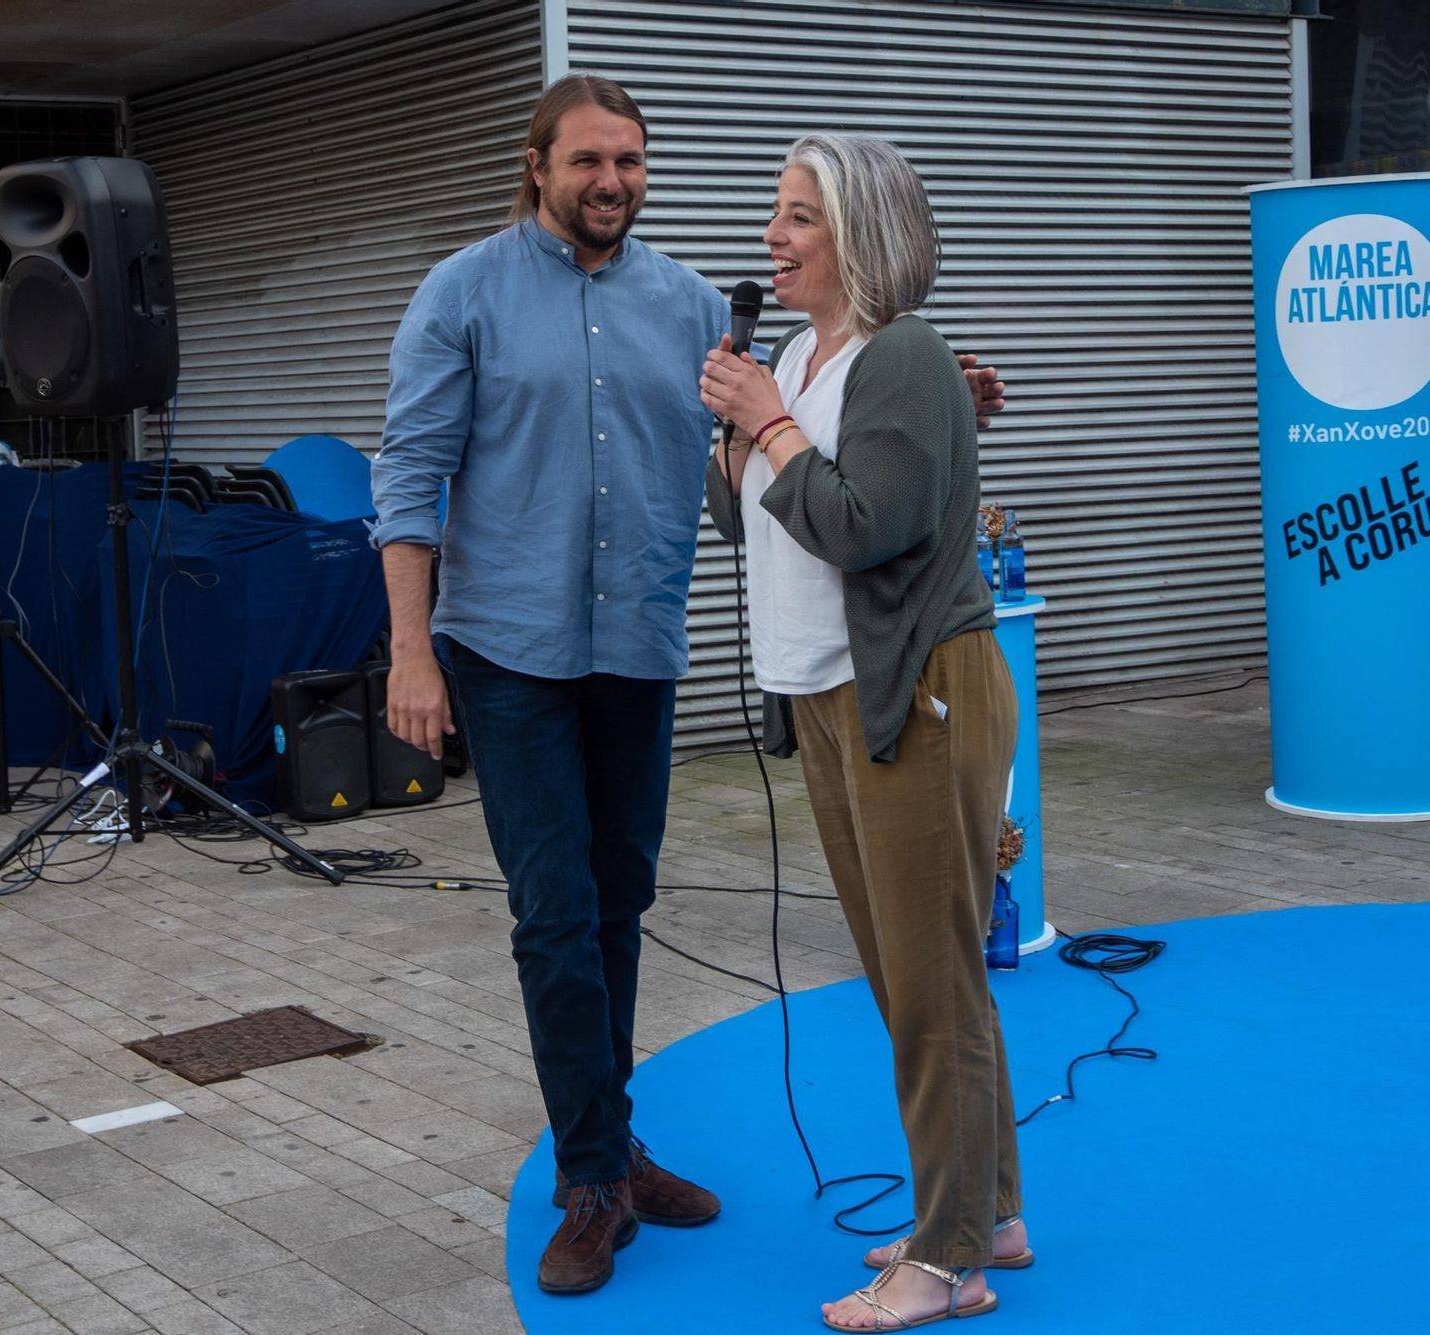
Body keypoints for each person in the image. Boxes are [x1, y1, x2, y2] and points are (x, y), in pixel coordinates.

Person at [370, 74, 1003, 1298]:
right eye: (587, 162)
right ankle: (591, 1182)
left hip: (636, 649)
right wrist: (409, 654)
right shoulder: (463, 291)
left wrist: (936, 405)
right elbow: (408, 479)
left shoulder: (698, 306)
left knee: (619, 900)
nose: (611, 182)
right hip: (508, 655)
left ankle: (609, 1146)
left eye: (630, 162)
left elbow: (781, 444)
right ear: (538, 166)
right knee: (553, 911)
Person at [698, 134, 1024, 1330]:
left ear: (862, 236)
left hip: (916, 689)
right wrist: (739, 430)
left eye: (799, 218)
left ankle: (946, 1263)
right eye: (774, 213)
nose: (772, 237)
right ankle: (986, 1210)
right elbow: (753, 524)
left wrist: (770, 426)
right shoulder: (793, 353)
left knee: (929, 983)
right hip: (829, 696)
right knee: (906, 974)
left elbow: (859, 526)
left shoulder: (902, 358)